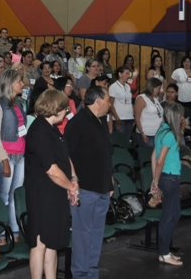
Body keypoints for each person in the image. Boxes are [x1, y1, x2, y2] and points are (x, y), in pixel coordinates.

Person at [26, 89, 78, 279]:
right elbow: (51, 169)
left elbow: (64, 156)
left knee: (52, 242)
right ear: (56, 109)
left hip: (55, 191)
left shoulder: (52, 128)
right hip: (42, 193)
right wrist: (70, 187)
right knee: (40, 243)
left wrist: (74, 179)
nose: (66, 112)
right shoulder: (39, 130)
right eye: (65, 108)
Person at [65, 86, 113, 279]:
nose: (110, 104)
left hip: (102, 187)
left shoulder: (102, 121)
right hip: (84, 188)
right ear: (98, 101)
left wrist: (109, 182)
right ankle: (80, 274)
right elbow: (66, 154)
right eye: (108, 100)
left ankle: (92, 273)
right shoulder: (78, 123)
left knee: (96, 234)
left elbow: (107, 154)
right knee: (82, 234)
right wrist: (73, 181)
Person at [0, 69, 26, 243]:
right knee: (3, 196)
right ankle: (1, 234)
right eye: (19, 81)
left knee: (14, 197)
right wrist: (3, 160)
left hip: (20, 155)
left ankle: (15, 232)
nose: (22, 84)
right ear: (10, 84)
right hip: (7, 156)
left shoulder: (19, 103)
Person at [150, 103, 184, 265]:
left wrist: (155, 180)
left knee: (174, 214)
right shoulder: (169, 134)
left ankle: (165, 251)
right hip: (169, 178)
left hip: (167, 177)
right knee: (169, 216)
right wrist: (155, 181)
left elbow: (153, 157)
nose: (182, 118)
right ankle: (164, 253)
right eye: (181, 116)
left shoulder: (161, 131)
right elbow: (160, 160)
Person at [134, 78, 164, 147]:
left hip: (157, 133)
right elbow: (137, 118)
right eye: (159, 88)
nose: (159, 91)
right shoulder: (141, 98)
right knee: (149, 152)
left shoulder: (155, 98)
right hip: (147, 133)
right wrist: (142, 133)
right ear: (153, 88)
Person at [109, 66, 134, 140]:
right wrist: (117, 118)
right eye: (126, 74)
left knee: (127, 140)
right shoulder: (113, 87)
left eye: (129, 74)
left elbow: (130, 102)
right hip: (120, 118)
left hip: (129, 117)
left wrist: (134, 116)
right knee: (120, 140)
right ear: (120, 74)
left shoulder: (128, 86)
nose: (128, 76)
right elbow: (111, 104)